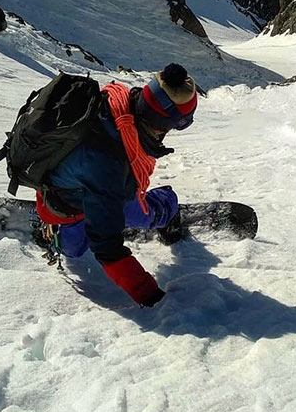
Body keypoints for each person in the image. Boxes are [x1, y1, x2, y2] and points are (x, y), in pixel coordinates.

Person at [35, 63, 198, 307]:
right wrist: (151, 297)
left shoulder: (117, 104)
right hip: (77, 200)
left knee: (75, 247)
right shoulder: (111, 165)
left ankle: (51, 224)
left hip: (57, 193)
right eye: (181, 123)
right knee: (145, 216)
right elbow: (106, 248)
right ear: (164, 122)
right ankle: (168, 208)